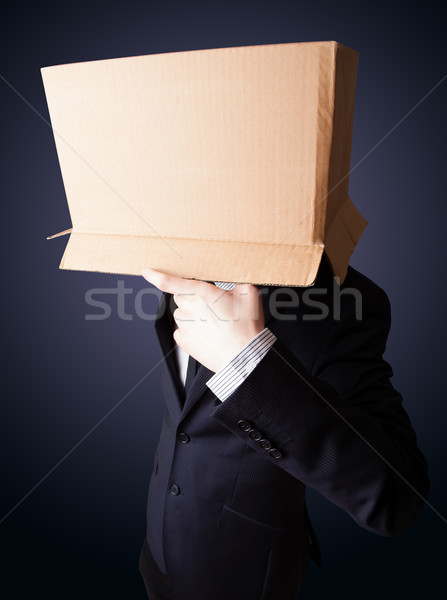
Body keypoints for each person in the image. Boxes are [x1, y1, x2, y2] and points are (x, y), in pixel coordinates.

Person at [138, 253, 429, 600]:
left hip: (245, 578)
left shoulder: (344, 299)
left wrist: (247, 362)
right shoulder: (177, 254)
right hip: (157, 554)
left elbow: (395, 496)